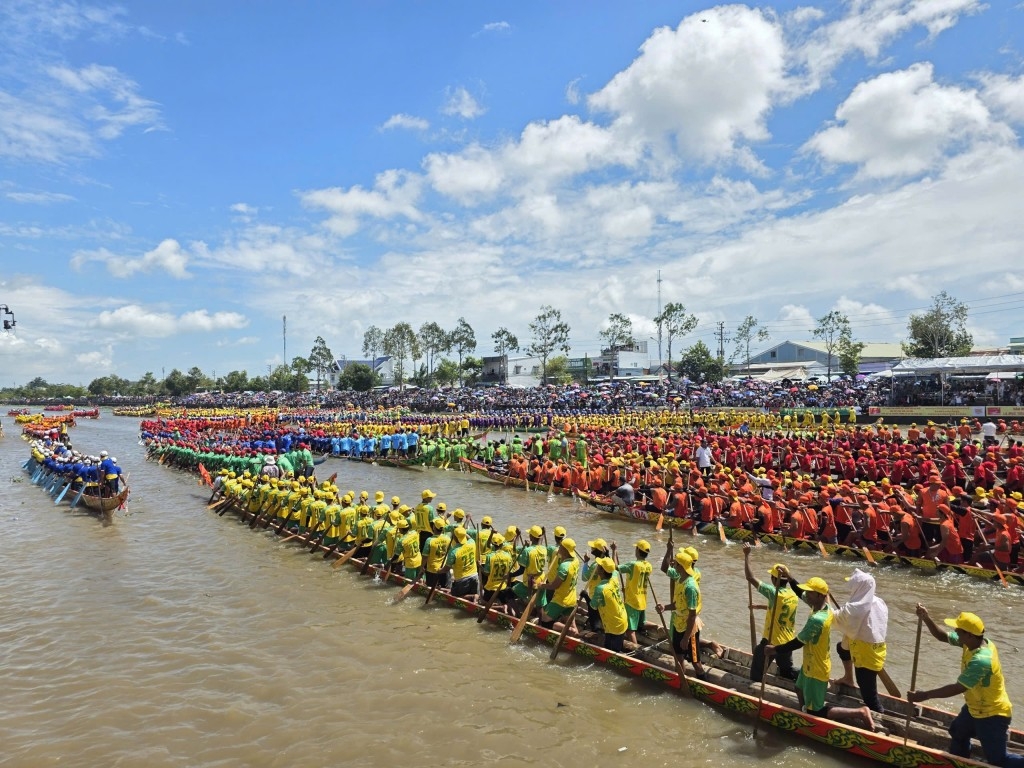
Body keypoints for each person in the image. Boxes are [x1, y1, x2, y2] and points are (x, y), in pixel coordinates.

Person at [909, 606, 1023, 767]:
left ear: (969, 635)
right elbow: (942, 636)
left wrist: (924, 695)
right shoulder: (972, 643)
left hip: (991, 713)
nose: (955, 632)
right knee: (958, 732)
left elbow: (958, 687)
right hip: (974, 707)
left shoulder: (981, 660)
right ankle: (959, 762)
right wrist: (926, 618)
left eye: (959, 631)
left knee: (998, 760)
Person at [765, 575, 878, 731]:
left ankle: (860, 712)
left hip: (816, 669)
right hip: (810, 663)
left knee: (817, 710)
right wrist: (790, 577)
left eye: (810, 593)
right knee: (798, 688)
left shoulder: (817, 620)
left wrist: (774, 649)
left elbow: (798, 642)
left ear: (819, 596)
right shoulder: (825, 607)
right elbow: (800, 593)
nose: (806, 595)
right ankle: (804, 714)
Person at [831, 569, 889, 714]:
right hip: (877, 648)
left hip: (864, 653)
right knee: (841, 648)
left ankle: (878, 718)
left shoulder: (856, 607)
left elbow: (836, 618)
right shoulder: (879, 602)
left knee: (870, 697)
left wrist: (826, 602)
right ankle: (848, 678)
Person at [742, 543, 798, 681]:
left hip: (772, 641)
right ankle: (800, 677)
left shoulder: (774, 593)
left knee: (757, 664)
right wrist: (759, 606)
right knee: (786, 671)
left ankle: (753, 687)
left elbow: (750, 577)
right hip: (788, 641)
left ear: (774, 579)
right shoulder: (793, 595)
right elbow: (779, 609)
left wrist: (747, 555)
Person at [657, 548, 709, 680]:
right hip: (678, 624)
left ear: (681, 566)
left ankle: (702, 681)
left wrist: (686, 638)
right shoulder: (680, 579)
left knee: (695, 661)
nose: (673, 564)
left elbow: (692, 615)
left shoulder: (690, 587)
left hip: (689, 629)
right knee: (678, 657)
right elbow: (678, 604)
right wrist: (665, 607)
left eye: (676, 563)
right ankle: (680, 680)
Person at [538, 538, 580, 632]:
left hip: (560, 600)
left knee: (545, 621)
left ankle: (570, 630)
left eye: (560, 546)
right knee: (571, 623)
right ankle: (575, 633)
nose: (558, 548)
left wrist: (542, 585)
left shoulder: (564, 566)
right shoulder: (576, 561)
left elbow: (554, 586)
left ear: (564, 550)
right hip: (572, 599)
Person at [617, 539, 652, 645]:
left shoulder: (633, 565)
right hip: (642, 600)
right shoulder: (649, 566)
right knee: (641, 624)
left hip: (632, 602)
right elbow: (636, 580)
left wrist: (614, 551)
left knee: (630, 630)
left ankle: (636, 649)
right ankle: (656, 627)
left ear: (637, 550)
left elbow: (614, 568)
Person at [591, 557, 629, 651]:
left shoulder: (601, 588)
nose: (597, 567)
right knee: (612, 645)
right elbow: (614, 569)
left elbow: (593, 606)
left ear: (602, 571)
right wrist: (611, 553)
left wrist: (585, 596)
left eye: (599, 566)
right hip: (622, 618)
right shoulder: (614, 577)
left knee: (612, 650)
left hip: (614, 625)